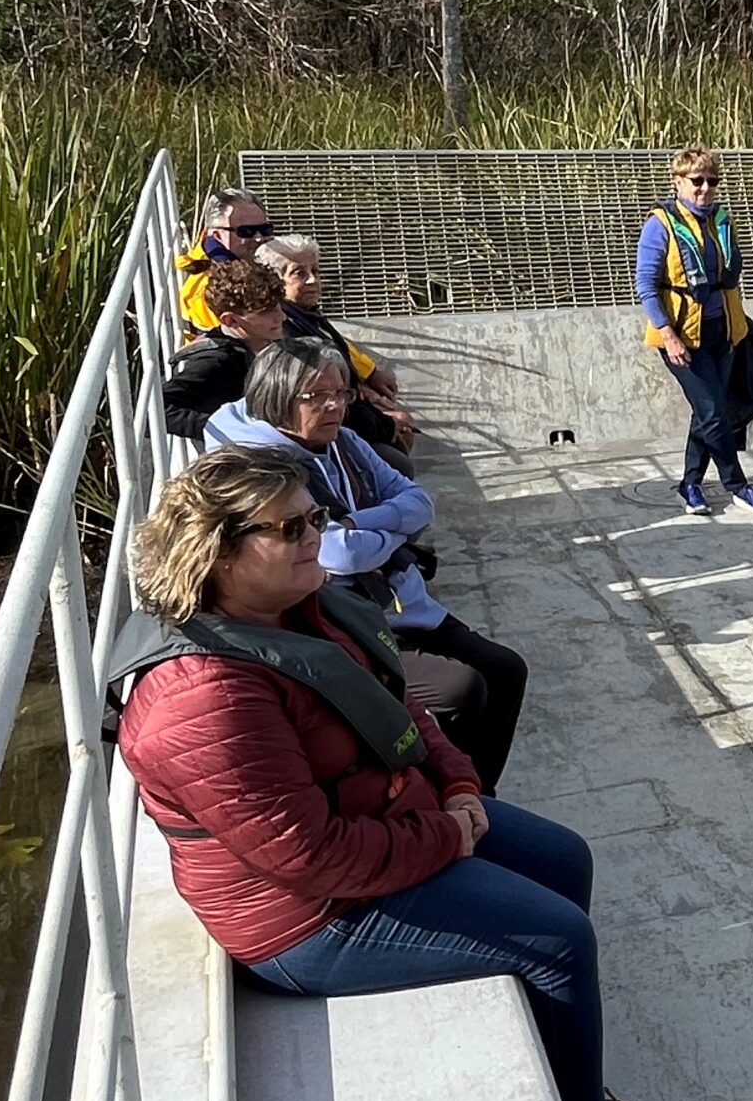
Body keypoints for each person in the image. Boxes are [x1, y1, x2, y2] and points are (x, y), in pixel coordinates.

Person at [110, 445, 690, 1101]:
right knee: (557, 940)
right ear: (218, 550)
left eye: (315, 514)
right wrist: (447, 836)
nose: (317, 532)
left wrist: (456, 784)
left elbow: (401, 708)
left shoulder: (293, 611)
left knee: (565, 858)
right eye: (291, 526)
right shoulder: (202, 694)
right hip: (307, 915)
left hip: (389, 819)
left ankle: (569, 1069)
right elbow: (308, 856)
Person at [206, 338, 528, 793]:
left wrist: (356, 523)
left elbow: (419, 503)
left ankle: (478, 793)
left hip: (397, 598)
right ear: (278, 400)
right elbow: (337, 555)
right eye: (317, 396)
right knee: (462, 690)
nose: (334, 406)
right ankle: (445, 793)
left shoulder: (346, 442)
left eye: (341, 393)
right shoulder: (266, 469)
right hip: (341, 618)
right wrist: (381, 533)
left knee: (506, 669)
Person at [637, 146, 753, 517]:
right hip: (682, 335)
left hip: (723, 331)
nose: (704, 189)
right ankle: (737, 485)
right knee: (714, 411)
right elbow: (647, 286)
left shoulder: (720, 220)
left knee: (707, 413)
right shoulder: (660, 225)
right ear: (678, 181)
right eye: (696, 181)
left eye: (711, 181)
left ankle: (690, 484)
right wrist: (668, 335)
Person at [254, 232, 417, 472]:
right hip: (324, 433)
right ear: (275, 281)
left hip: (346, 420)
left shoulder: (309, 317)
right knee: (397, 464)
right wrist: (386, 424)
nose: (312, 281)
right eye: (299, 273)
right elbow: (323, 402)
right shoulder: (287, 332)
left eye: (316, 271)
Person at [162, 260, 287, 439]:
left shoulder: (254, 345)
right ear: (230, 320)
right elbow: (158, 410)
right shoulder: (215, 362)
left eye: (279, 306)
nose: (281, 316)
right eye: (266, 311)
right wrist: (230, 429)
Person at [177, 186, 275, 333]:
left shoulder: (241, 262)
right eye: (246, 231)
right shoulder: (208, 288)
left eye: (265, 229)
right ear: (217, 235)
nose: (259, 238)